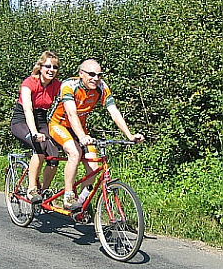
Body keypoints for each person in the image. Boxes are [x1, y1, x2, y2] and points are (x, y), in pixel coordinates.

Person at [48, 59, 145, 210]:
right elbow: (72, 114)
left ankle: (80, 203)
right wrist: (81, 137)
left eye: (99, 75)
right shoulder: (69, 85)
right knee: (75, 153)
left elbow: (114, 112)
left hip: (80, 128)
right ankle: (68, 196)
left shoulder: (101, 87)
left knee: (93, 165)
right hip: (59, 125)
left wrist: (129, 135)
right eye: (91, 74)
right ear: (81, 73)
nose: (96, 78)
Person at [11, 51, 61, 203]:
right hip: (22, 121)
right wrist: (34, 132)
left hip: (41, 120)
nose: (51, 70)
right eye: (48, 66)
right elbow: (28, 109)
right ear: (40, 67)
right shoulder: (29, 83)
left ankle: (44, 192)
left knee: (54, 154)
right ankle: (32, 189)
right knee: (38, 146)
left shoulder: (57, 85)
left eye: (55, 67)